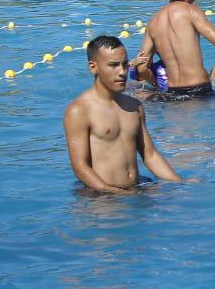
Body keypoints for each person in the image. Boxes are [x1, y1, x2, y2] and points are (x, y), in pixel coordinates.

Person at [63, 35, 182, 193]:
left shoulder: (134, 106)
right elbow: (80, 167)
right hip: (103, 199)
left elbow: (150, 155)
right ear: (93, 67)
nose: (122, 72)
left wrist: (180, 183)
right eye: (113, 65)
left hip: (135, 190)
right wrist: (112, 191)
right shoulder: (80, 111)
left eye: (125, 64)